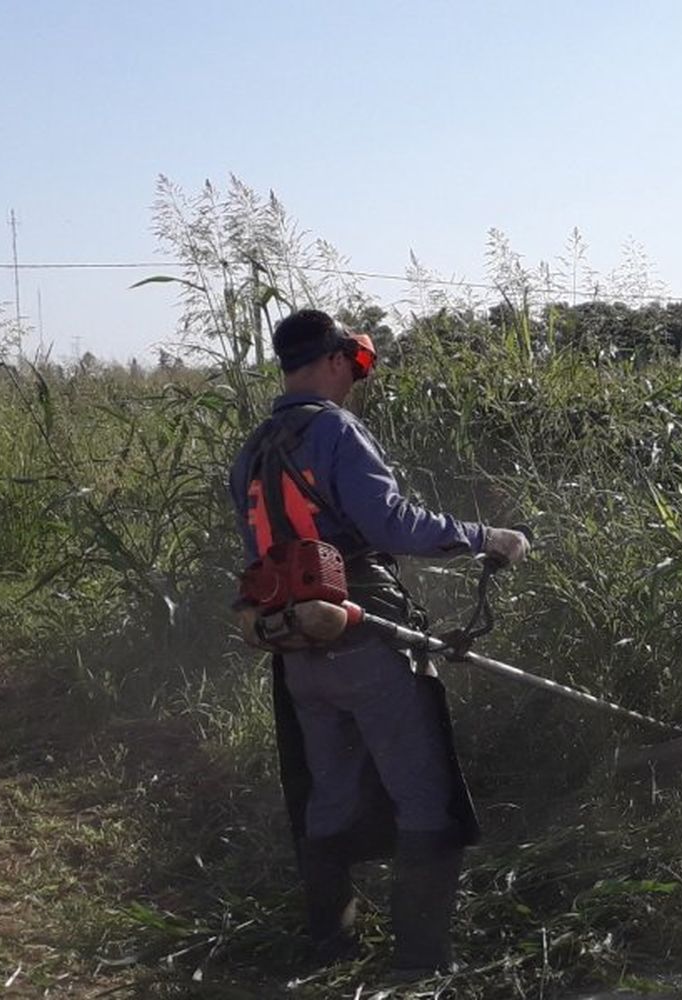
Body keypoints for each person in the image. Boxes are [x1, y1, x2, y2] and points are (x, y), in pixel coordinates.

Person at [227, 309, 530, 974]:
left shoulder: (253, 446)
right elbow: (392, 526)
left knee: (329, 796)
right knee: (422, 795)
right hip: (367, 634)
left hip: (295, 645)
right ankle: (421, 965)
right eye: (355, 367)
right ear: (336, 358)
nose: (356, 382)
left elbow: (258, 548)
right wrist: (489, 539)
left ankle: (329, 950)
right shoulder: (334, 429)